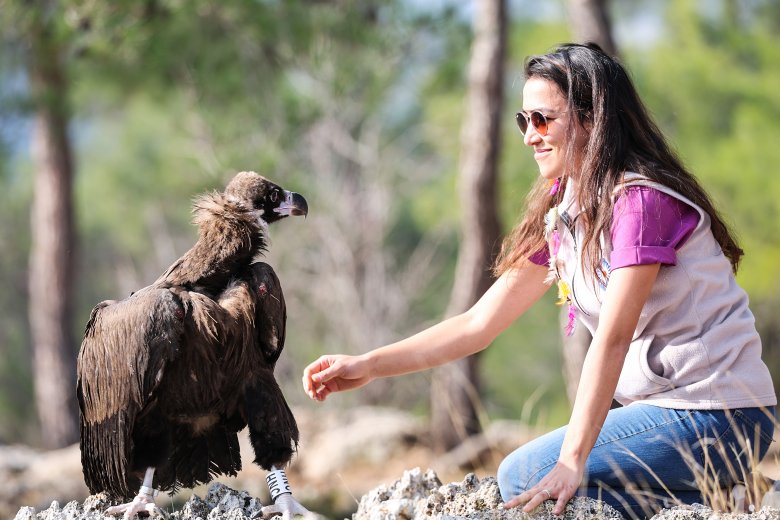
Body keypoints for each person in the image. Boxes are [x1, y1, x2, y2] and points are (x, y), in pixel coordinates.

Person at [301, 43, 777, 519]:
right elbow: (477, 325)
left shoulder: (640, 204)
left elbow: (611, 340)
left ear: (593, 120)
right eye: (522, 120)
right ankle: (725, 499)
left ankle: (726, 501)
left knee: (528, 476)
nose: (530, 135)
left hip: (722, 414)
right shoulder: (568, 213)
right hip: (669, 415)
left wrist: (572, 459)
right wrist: (368, 364)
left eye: (543, 119)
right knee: (540, 487)